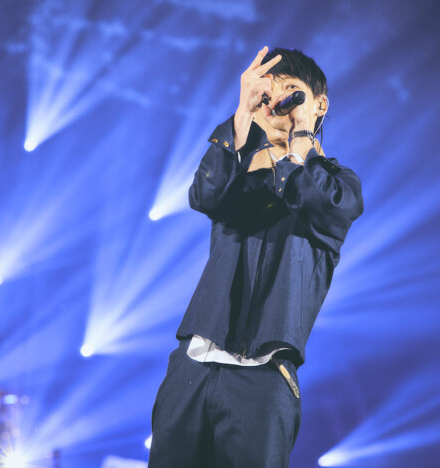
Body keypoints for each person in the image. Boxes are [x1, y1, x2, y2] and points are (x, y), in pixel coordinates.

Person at [149, 46, 364, 467]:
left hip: (264, 379)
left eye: (291, 91)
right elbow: (204, 193)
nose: (276, 102)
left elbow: (320, 203)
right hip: (193, 366)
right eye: (268, 94)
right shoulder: (239, 170)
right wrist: (243, 115)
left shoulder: (338, 184)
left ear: (320, 103)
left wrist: (300, 137)